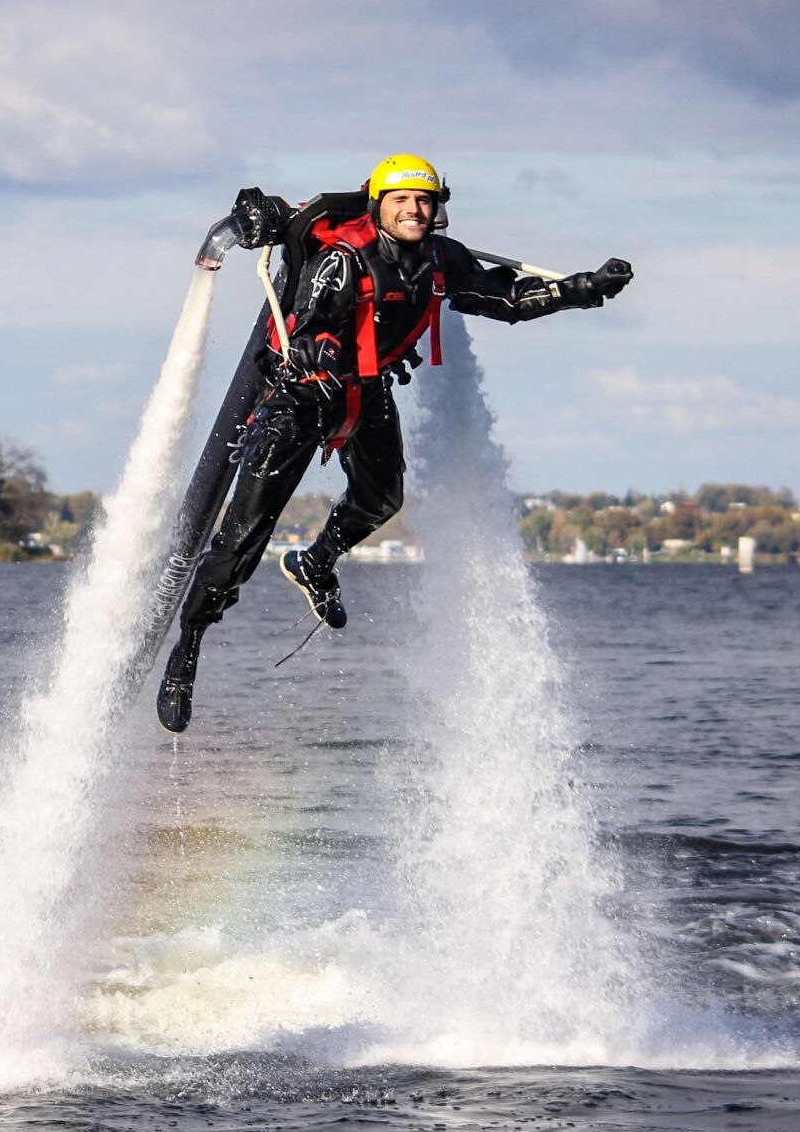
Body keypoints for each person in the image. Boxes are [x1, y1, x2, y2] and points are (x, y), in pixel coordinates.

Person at [155, 153, 633, 733]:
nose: (414, 209)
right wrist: (316, 349)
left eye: (424, 201)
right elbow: (313, 320)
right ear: (379, 204)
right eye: (402, 199)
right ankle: (188, 648)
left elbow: (503, 297)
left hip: (366, 393)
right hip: (300, 400)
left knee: (381, 499)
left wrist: (584, 290)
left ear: (437, 210)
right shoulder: (342, 257)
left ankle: (315, 561)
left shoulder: (439, 260)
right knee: (237, 550)